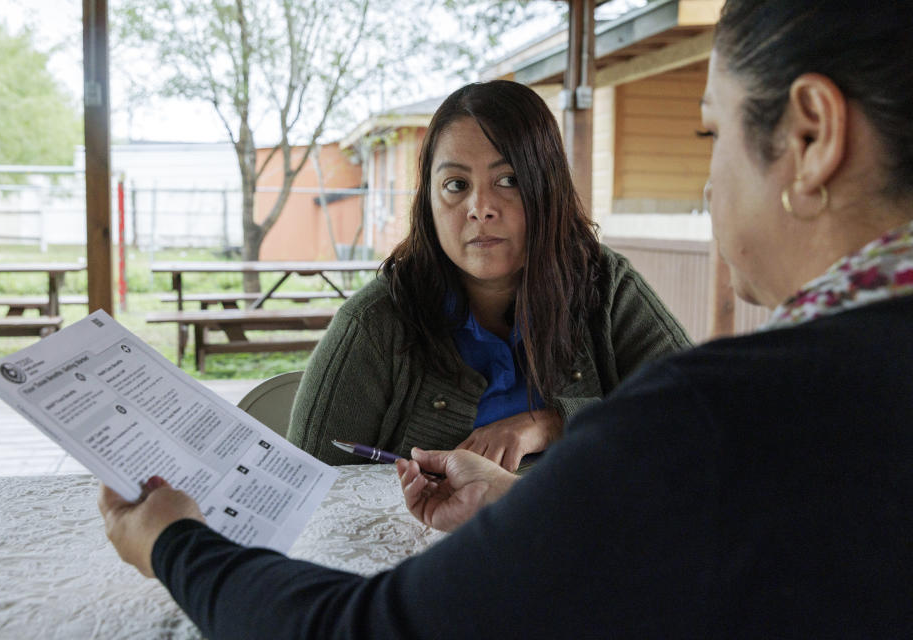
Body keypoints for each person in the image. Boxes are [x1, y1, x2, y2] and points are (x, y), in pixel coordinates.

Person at [99, 1, 913, 636]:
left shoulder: (710, 420)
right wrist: (518, 507)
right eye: (455, 185)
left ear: (810, 135)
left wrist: (174, 541)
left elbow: (364, 629)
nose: (707, 186)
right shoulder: (794, 410)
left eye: (713, 131)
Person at [287, 80, 691, 471]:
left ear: (549, 188)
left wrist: (551, 423)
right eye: (456, 185)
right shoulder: (374, 324)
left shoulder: (604, 285)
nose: (480, 208)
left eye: (509, 180)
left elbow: (698, 411)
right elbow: (302, 493)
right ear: (427, 200)